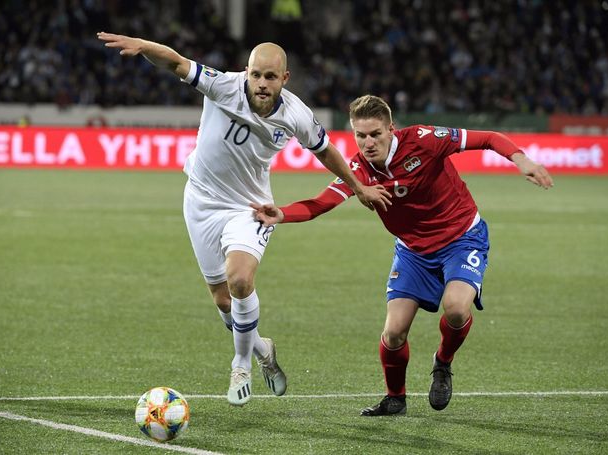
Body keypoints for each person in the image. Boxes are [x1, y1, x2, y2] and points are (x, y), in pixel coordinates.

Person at [97, 33, 391, 407]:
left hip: (249, 208)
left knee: (239, 279)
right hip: (201, 201)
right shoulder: (223, 85)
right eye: (256, 75)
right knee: (222, 299)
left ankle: (240, 364)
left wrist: (359, 187)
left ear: (284, 79)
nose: (262, 83)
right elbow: (175, 62)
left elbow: (327, 152)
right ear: (246, 73)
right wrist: (144, 46)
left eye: (271, 77)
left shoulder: (296, 114)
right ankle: (261, 348)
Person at [253, 95, 553, 415]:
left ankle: (442, 363)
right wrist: (281, 214)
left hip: (462, 239)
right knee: (394, 333)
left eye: (375, 134)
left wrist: (523, 160)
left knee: (455, 309)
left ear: (391, 129)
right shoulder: (357, 170)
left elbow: (489, 138)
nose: (368, 143)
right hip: (413, 251)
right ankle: (395, 398)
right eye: (360, 135)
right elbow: (320, 203)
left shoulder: (425, 140)